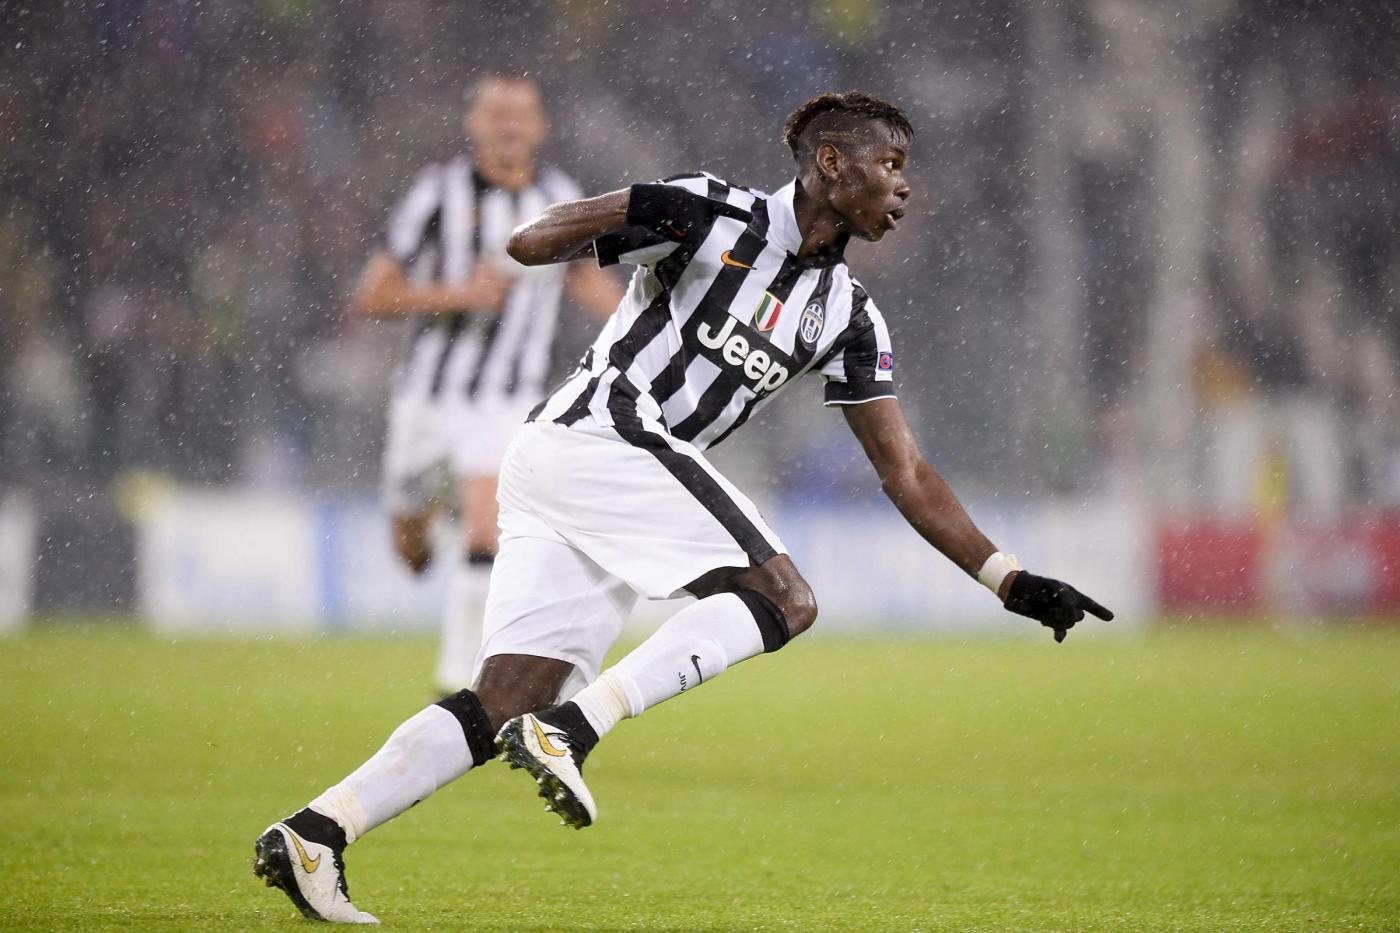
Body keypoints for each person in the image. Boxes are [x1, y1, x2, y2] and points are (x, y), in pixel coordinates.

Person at [254, 91, 1112, 924]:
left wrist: (1007, 578)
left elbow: (907, 472)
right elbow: (527, 240)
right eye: (889, 164)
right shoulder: (715, 213)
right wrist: (633, 212)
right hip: (599, 435)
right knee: (786, 598)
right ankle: (577, 727)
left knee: (505, 698)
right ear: (830, 162)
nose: (904, 185)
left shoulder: (849, 316)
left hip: (579, 469)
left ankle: (317, 832)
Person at [353, 75, 621, 693]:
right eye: (496, 114)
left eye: (520, 115)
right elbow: (372, 296)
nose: (508, 126)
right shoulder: (436, 193)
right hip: (427, 396)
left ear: (540, 127)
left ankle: (461, 686)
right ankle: (428, 524)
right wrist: (456, 295)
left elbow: (586, 279)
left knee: (485, 528)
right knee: (411, 548)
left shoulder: (559, 198)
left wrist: (650, 334)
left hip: (507, 397)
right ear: (473, 125)